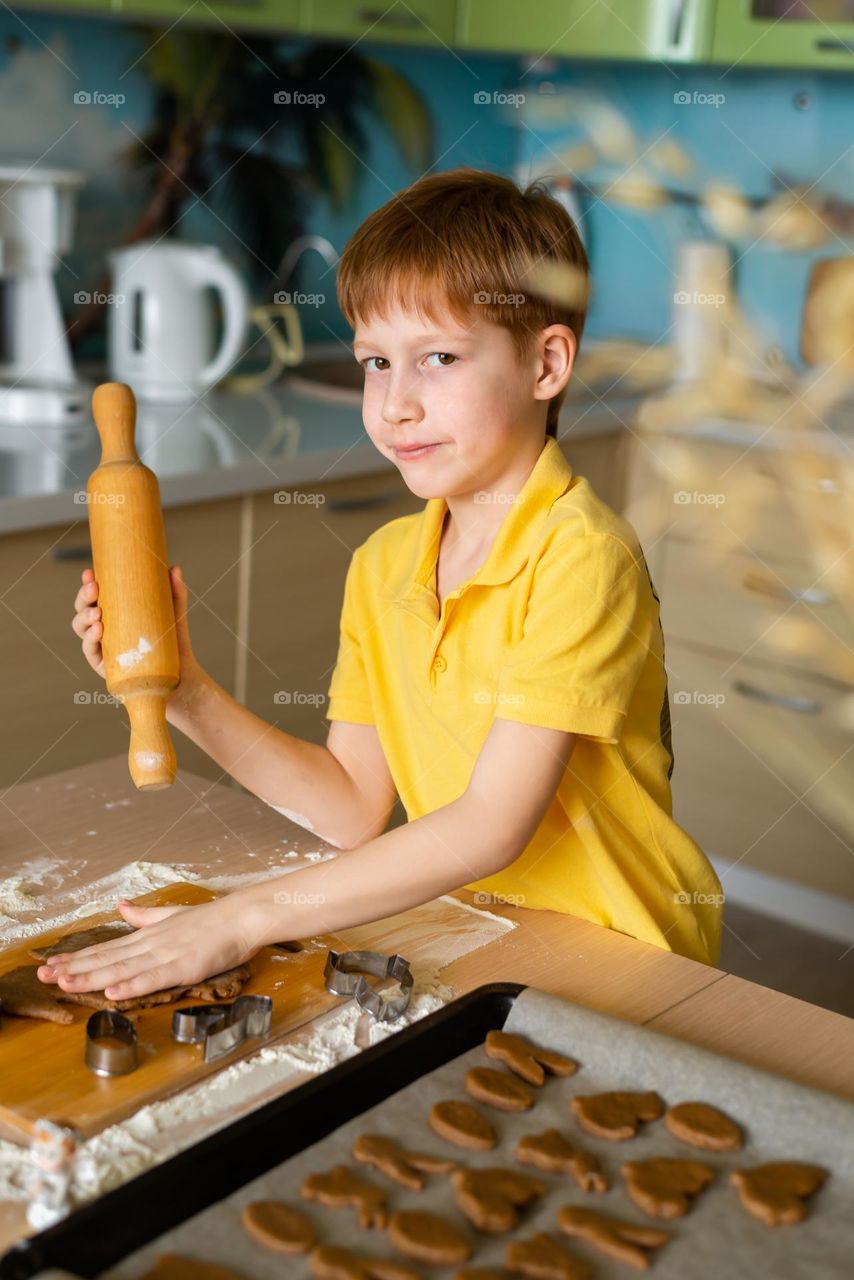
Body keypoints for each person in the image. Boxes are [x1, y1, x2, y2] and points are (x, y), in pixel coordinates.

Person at [42, 168, 722, 1005]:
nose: (395, 404)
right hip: (483, 939)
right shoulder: (386, 564)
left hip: (624, 960)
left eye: (438, 357)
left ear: (546, 364)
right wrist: (184, 689)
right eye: (374, 361)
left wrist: (242, 917)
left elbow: (488, 826)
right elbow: (353, 807)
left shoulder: (582, 559)